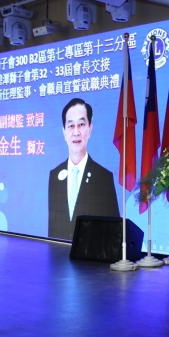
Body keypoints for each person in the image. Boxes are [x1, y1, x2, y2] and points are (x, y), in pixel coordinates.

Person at [48, 97, 120, 240]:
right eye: (71, 126)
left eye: (81, 124)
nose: (76, 132)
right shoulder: (55, 175)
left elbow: (114, 230)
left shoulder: (103, 177)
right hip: (59, 253)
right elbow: (53, 228)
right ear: (64, 132)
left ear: (90, 129)